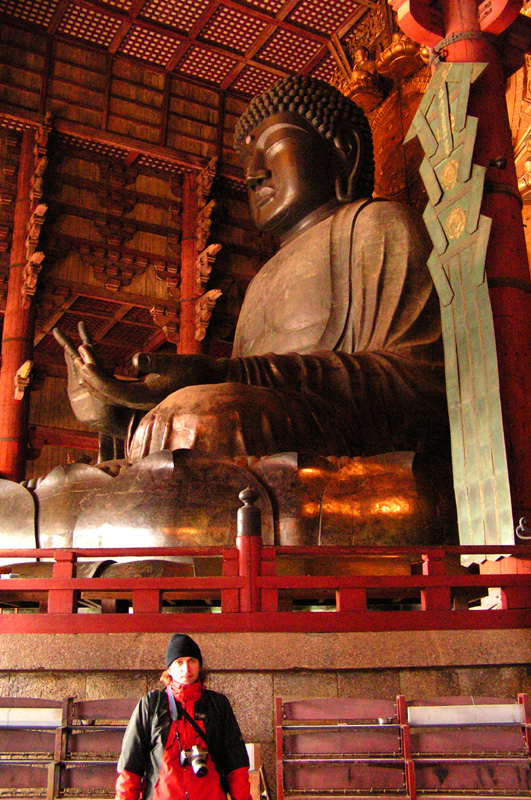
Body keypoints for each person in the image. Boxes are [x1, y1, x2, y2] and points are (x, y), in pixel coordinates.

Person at [54, 75, 448, 463]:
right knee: (113, 462)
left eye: (272, 146)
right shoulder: (263, 280)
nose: (252, 173)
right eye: (246, 161)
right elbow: (235, 395)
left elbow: (421, 384)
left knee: (200, 416)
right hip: (263, 439)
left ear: (345, 150)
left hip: (352, 449)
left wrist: (225, 374)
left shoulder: (378, 225)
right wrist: (119, 413)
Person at [115, 633, 252, 800]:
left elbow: (236, 765)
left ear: (200, 666)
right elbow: (130, 766)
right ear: (169, 669)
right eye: (179, 662)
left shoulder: (218, 705)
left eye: (192, 661)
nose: (186, 669)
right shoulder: (151, 705)